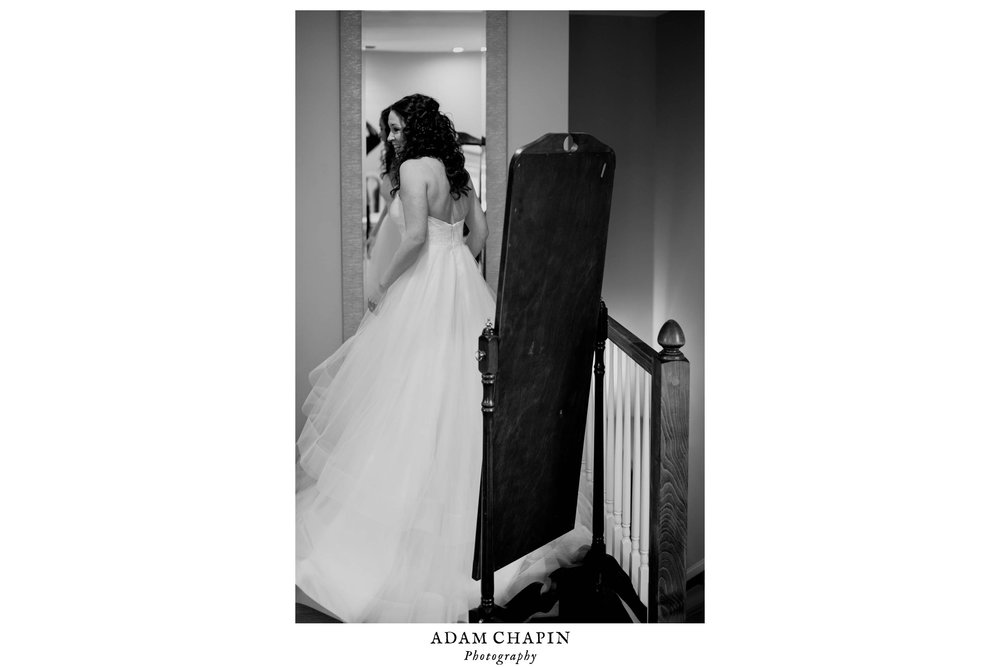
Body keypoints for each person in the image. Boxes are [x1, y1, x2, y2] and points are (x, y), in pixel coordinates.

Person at [295, 94, 495, 622]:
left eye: (400, 127)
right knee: (462, 402)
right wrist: (460, 266)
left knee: (409, 401)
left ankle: (405, 542)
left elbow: (410, 239)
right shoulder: (456, 171)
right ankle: (462, 540)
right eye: (390, 130)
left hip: (425, 288)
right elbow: (482, 233)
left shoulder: (411, 171)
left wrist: (382, 286)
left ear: (418, 127)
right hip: (463, 288)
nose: (394, 138)